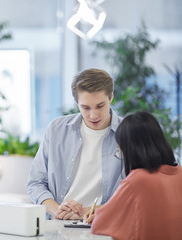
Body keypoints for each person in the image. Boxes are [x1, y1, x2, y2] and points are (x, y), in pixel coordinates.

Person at [27, 68, 123, 220]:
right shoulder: (56, 130)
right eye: (85, 107)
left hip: (103, 224)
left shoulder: (128, 134)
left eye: (100, 106)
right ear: (77, 102)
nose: (93, 115)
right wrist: (58, 211)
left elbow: (134, 196)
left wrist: (86, 212)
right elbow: (36, 183)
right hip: (58, 223)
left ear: (111, 97)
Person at [85, 111, 182, 240]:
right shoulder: (180, 174)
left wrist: (98, 215)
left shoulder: (138, 180)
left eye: (121, 150)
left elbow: (99, 224)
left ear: (130, 149)